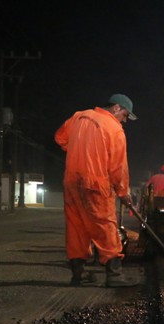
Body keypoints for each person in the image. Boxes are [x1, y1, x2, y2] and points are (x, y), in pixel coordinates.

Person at [54, 93, 139, 287]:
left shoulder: (79, 116)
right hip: (95, 184)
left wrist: (80, 148)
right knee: (106, 226)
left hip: (71, 182)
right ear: (116, 108)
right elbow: (118, 167)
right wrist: (123, 192)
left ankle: (78, 274)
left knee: (77, 227)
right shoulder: (115, 130)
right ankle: (114, 275)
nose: (124, 121)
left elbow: (60, 138)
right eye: (125, 115)